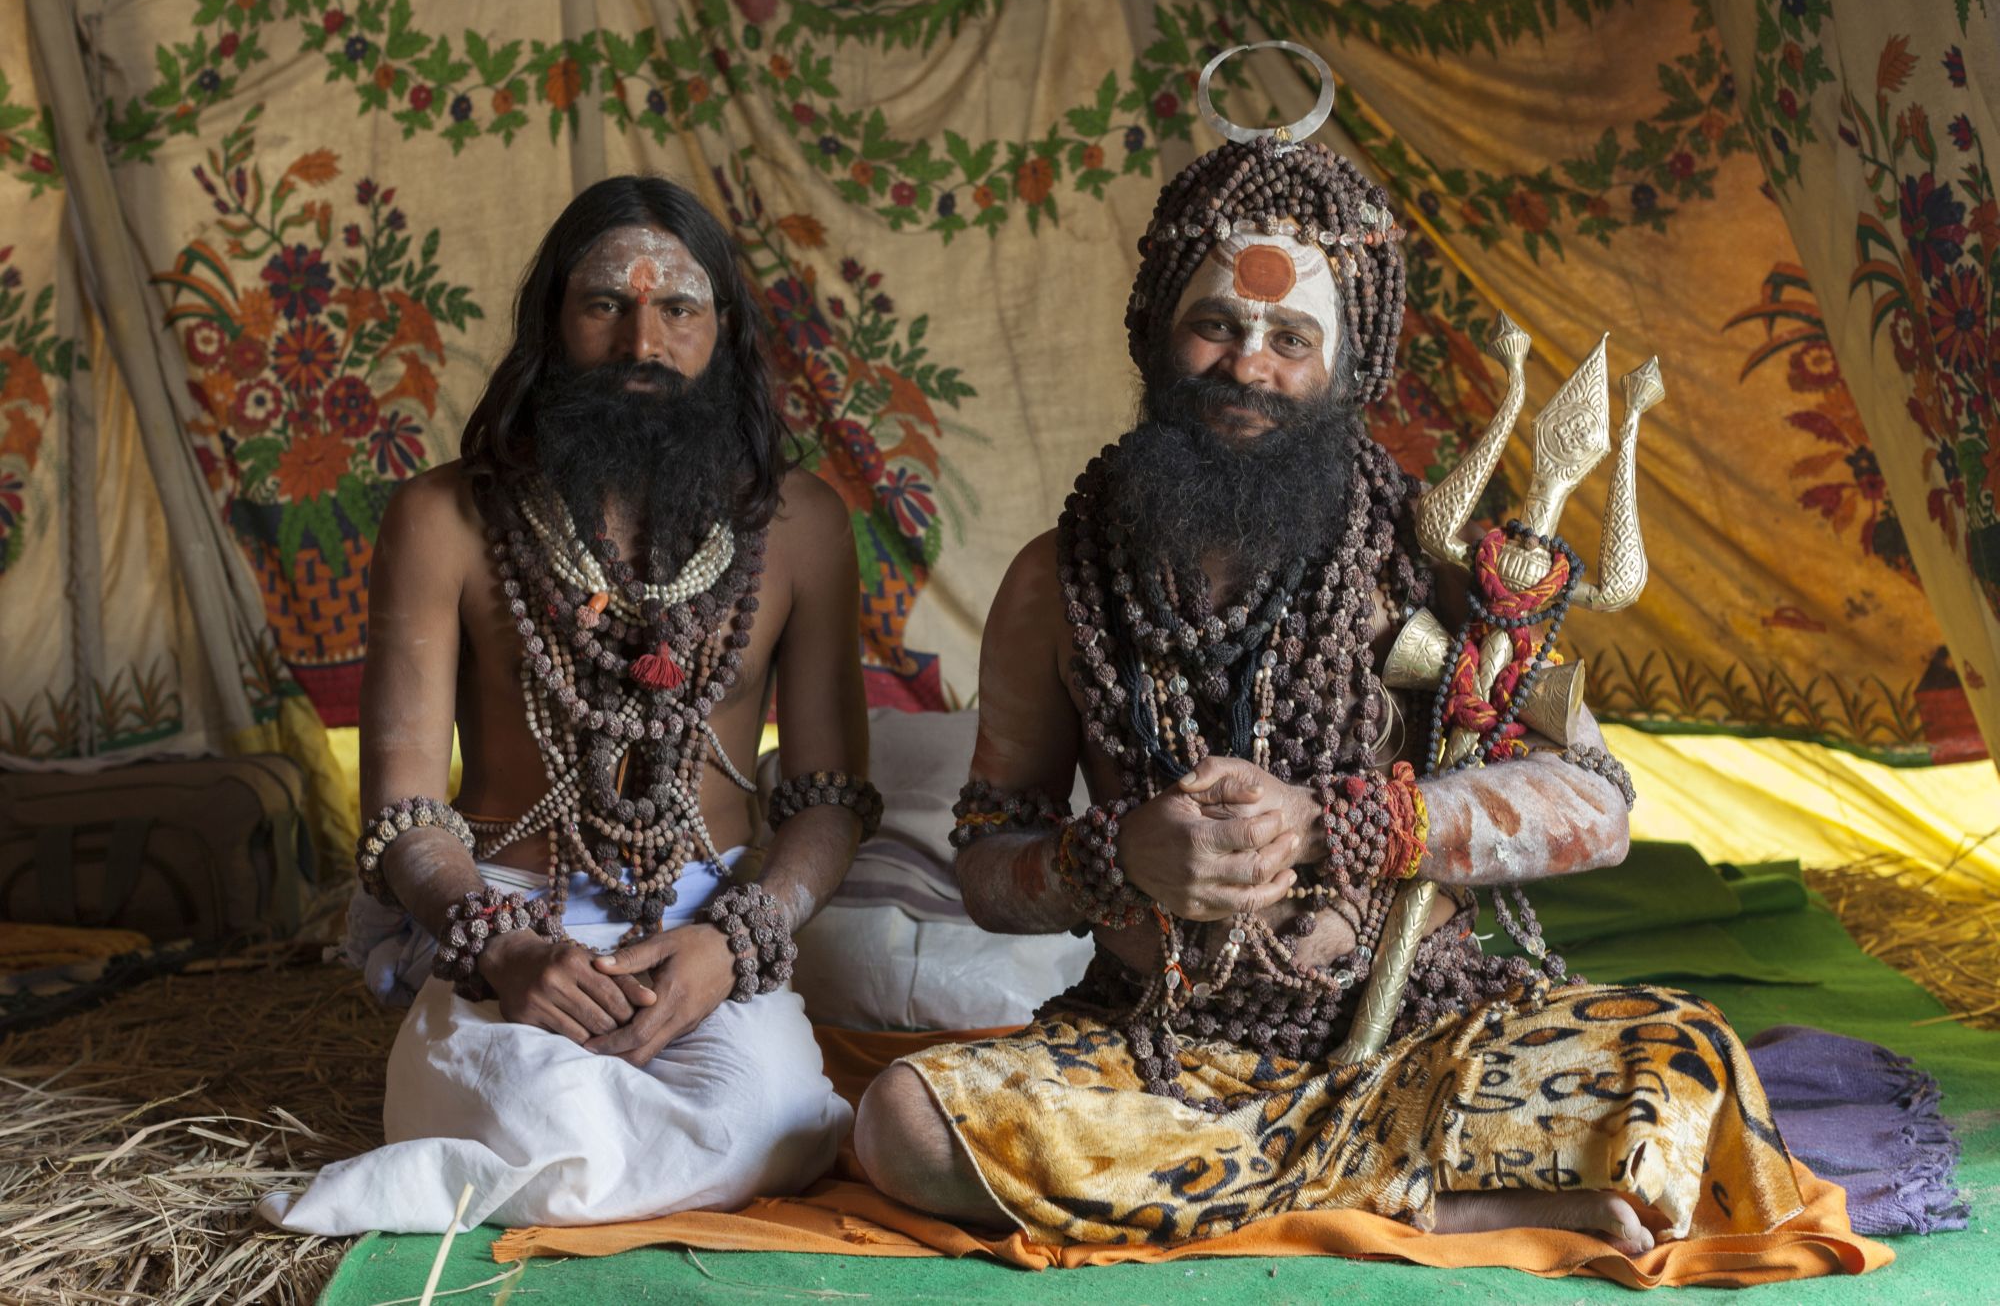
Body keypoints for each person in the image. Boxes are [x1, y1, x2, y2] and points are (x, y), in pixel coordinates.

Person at [851, 139, 1803, 1254]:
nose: (1246, 365)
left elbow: (1594, 801)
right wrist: (1118, 855)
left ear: (1349, 364)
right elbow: (986, 864)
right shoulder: (1055, 580)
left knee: (1676, 1060)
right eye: (1215, 324)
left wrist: (1335, 823)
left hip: (1417, 1028)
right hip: (1155, 1048)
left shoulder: (1440, 559)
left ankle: (1274, 1185)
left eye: (1289, 337)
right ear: (1156, 333)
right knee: (901, 1125)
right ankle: (1400, 1196)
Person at [261, 175, 874, 1234]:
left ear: (721, 334)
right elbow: (403, 812)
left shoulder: (803, 526)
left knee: (764, 1119)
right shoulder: (443, 516)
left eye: (677, 307)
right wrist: (499, 946)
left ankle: (496, 1168)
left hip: (707, 923)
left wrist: (736, 939)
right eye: (605, 304)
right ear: (551, 324)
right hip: (502, 912)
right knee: (535, 1116)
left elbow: (827, 797)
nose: (643, 340)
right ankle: (505, 1131)